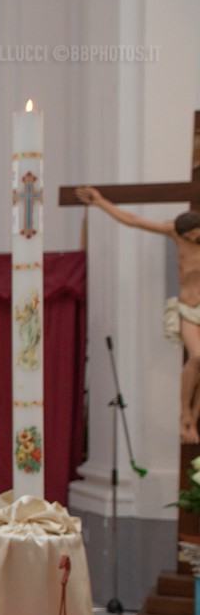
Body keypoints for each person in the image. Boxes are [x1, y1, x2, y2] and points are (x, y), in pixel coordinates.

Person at [76, 186, 200, 442]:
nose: (191, 240)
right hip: (188, 308)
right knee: (197, 357)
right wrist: (100, 202)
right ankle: (184, 413)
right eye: (186, 236)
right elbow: (134, 221)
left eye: (194, 235)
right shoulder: (175, 233)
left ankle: (192, 422)